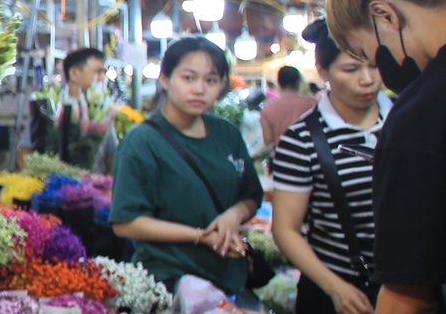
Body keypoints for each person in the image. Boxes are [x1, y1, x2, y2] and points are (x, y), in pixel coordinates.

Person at [299, 0, 446, 314]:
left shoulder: (422, 113)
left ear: (387, 17)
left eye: (370, 54)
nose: (378, 75)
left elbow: (412, 289)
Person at [110, 35, 264, 295]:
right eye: (188, 78)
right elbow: (126, 222)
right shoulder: (142, 141)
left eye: (211, 80)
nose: (199, 89)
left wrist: (233, 215)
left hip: (226, 278)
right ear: (165, 79)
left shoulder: (227, 134)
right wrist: (199, 236)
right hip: (168, 280)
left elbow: (250, 195)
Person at [270, 22, 389, 314]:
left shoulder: (405, 121)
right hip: (339, 295)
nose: (367, 79)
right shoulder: (302, 139)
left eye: (375, 65)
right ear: (322, 71)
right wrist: (335, 287)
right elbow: (285, 229)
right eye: (351, 69)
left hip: (411, 292)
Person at [25, 46, 111, 169]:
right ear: (74, 73)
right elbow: (24, 151)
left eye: (104, 73)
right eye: (98, 72)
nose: (103, 78)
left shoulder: (101, 111)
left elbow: (112, 157)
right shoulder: (50, 108)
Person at [259, 64, 318, 147]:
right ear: (298, 81)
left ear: (279, 83)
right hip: (310, 153)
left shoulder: (268, 107)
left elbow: (268, 139)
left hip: (281, 155)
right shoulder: (312, 103)